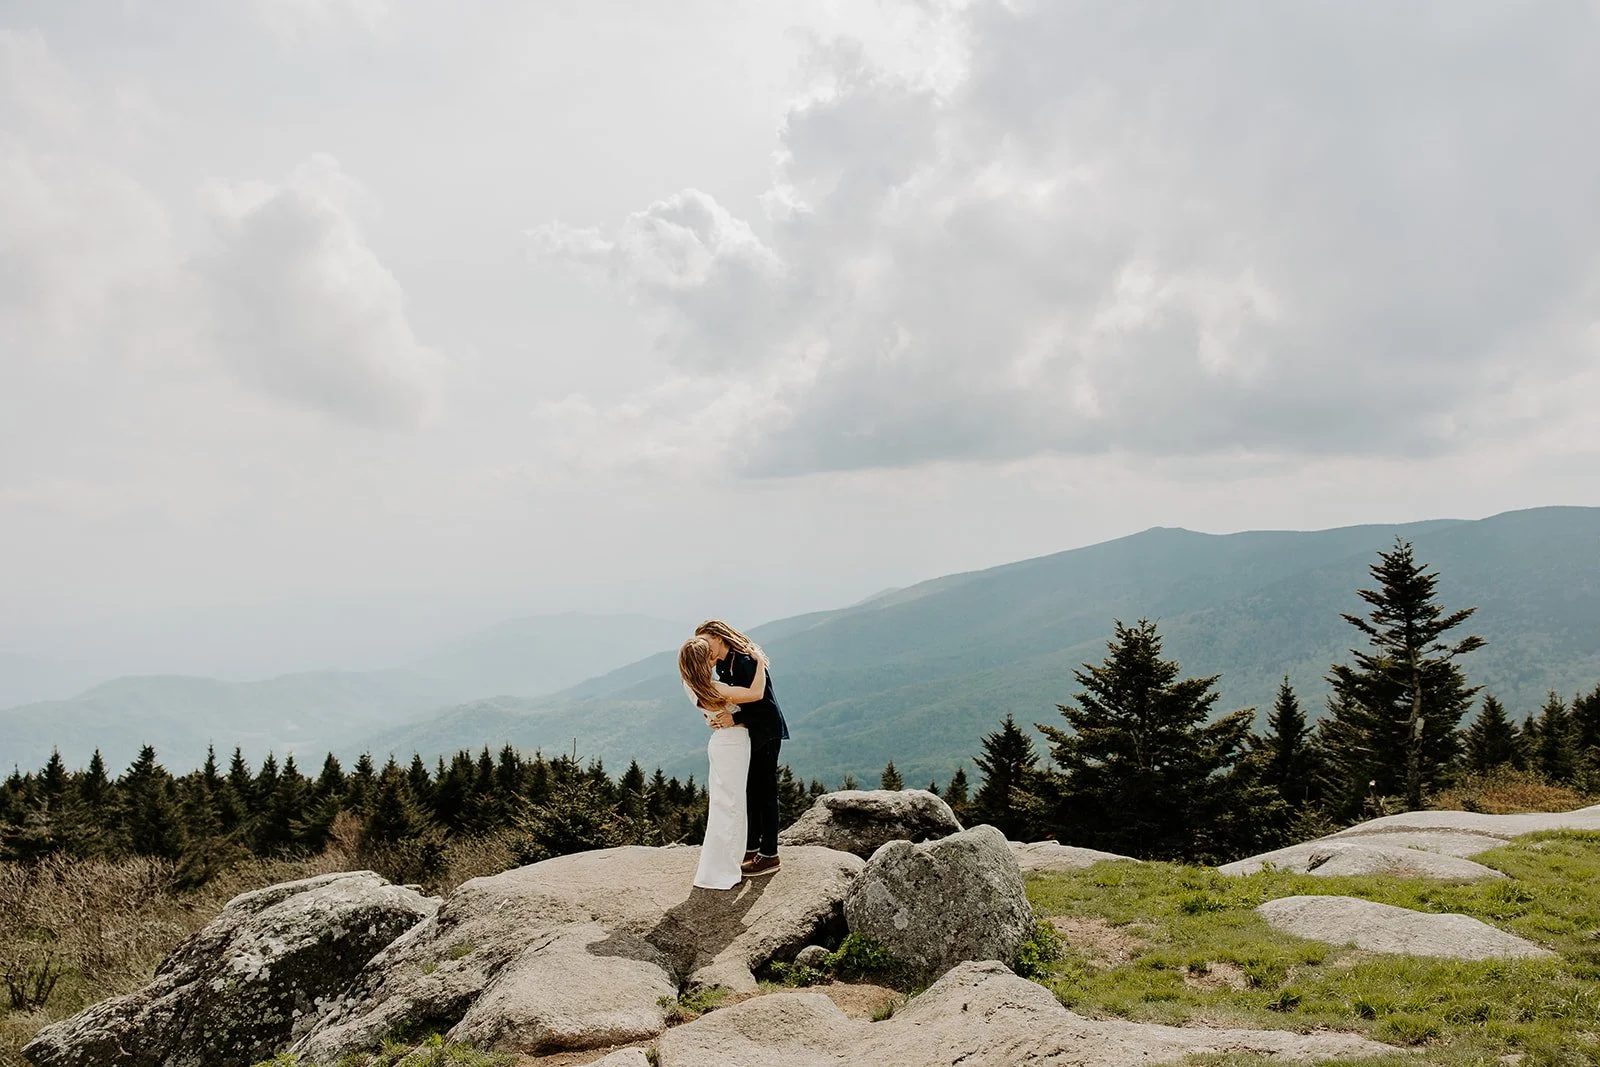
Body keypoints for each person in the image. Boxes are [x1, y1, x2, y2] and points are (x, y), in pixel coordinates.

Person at [694, 619, 789, 877]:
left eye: (705, 641)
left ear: (718, 636)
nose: (704, 648)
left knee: (766, 793)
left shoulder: (746, 662)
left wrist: (735, 719)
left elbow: (765, 705)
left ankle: (770, 854)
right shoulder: (724, 664)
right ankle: (752, 847)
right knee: (749, 791)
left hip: (766, 733)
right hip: (751, 734)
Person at [677, 635, 767, 889]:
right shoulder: (714, 688)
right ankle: (724, 870)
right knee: (732, 806)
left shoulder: (690, 684)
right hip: (734, 745)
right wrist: (759, 662)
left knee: (721, 805)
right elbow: (756, 693)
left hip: (719, 743)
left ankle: (717, 867)